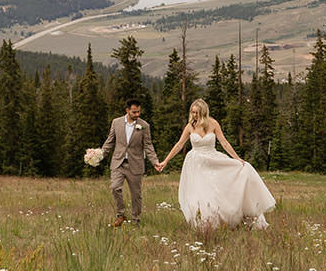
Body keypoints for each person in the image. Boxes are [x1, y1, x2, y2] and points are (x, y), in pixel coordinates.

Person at [157, 99, 276, 230]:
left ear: (203, 112)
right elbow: (179, 145)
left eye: (196, 112)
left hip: (212, 160)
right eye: (192, 112)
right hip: (196, 164)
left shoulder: (213, 124)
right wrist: (166, 161)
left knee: (219, 191)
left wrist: (237, 158)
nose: (194, 115)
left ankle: (227, 221)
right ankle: (204, 225)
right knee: (200, 194)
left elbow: (224, 143)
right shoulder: (190, 126)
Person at [99, 98, 161, 227]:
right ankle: (121, 214)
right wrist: (99, 155)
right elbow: (109, 141)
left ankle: (136, 221)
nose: (137, 114)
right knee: (115, 187)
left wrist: (155, 161)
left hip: (135, 164)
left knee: (136, 195)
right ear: (127, 110)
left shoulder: (144, 126)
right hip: (118, 162)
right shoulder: (116, 123)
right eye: (134, 112)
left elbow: (148, 145)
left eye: (138, 112)